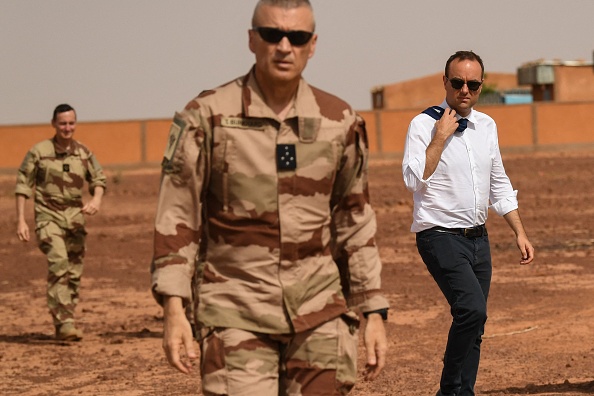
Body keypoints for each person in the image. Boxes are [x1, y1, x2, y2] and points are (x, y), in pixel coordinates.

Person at [150, 0, 389, 394]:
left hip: (320, 311)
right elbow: (178, 213)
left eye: (296, 37)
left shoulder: (339, 120)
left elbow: (354, 217)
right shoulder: (207, 116)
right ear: (251, 40)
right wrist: (173, 308)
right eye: (271, 34)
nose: (283, 46)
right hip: (236, 310)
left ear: (311, 45)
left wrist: (373, 309)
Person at [402, 50, 535, 396]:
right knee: (471, 309)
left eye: (472, 84)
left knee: (475, 324)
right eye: (458, 82)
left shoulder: (486, 126)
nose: (465, 90)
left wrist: (518, 230)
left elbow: (499, 181)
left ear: (480, 86)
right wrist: (439, 137)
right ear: (444, 81)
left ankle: (465, 392)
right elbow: (413, 180)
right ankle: (450, 391)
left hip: (479, 239)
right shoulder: (423, 125)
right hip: (439, 235)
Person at [15, 103, 106, 341]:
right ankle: (64, 323)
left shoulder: (83, 152)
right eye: (63, 123)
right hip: (48, 218)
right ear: (54, 124)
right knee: (59, 262)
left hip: (75, 221)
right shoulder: (39, 152)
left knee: (73, 273)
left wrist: (96, 199)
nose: (67, 128)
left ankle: (65, 319)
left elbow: (98, 179)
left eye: (71, 123)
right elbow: (23, 185)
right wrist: (21, 221)